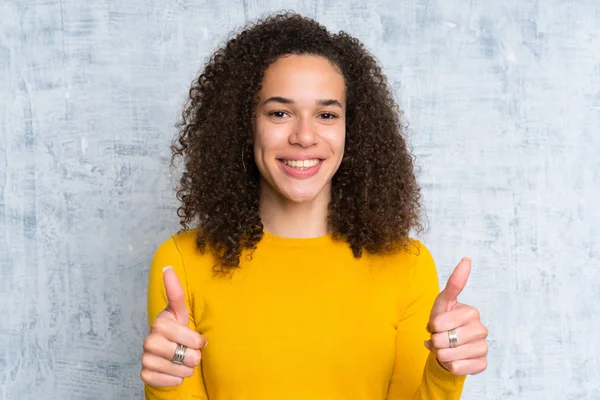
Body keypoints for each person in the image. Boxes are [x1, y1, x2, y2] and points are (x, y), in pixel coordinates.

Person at [140, 12, 488, 400]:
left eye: (326, 114)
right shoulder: (182, 263)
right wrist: (162, 384)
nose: (304, 136)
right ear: (244, 124)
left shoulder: (408, 265)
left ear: (351, 130)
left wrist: (444, 373)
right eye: (279, 112)